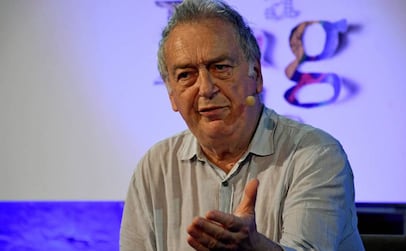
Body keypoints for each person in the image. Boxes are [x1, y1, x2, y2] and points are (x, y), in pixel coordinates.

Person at [120, 0, 365, 250]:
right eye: (186, 75)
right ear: (172, 95)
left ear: (256, 75)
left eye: (221, 67)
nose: (206, 88)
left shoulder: (316, 154)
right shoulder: (155, 167)